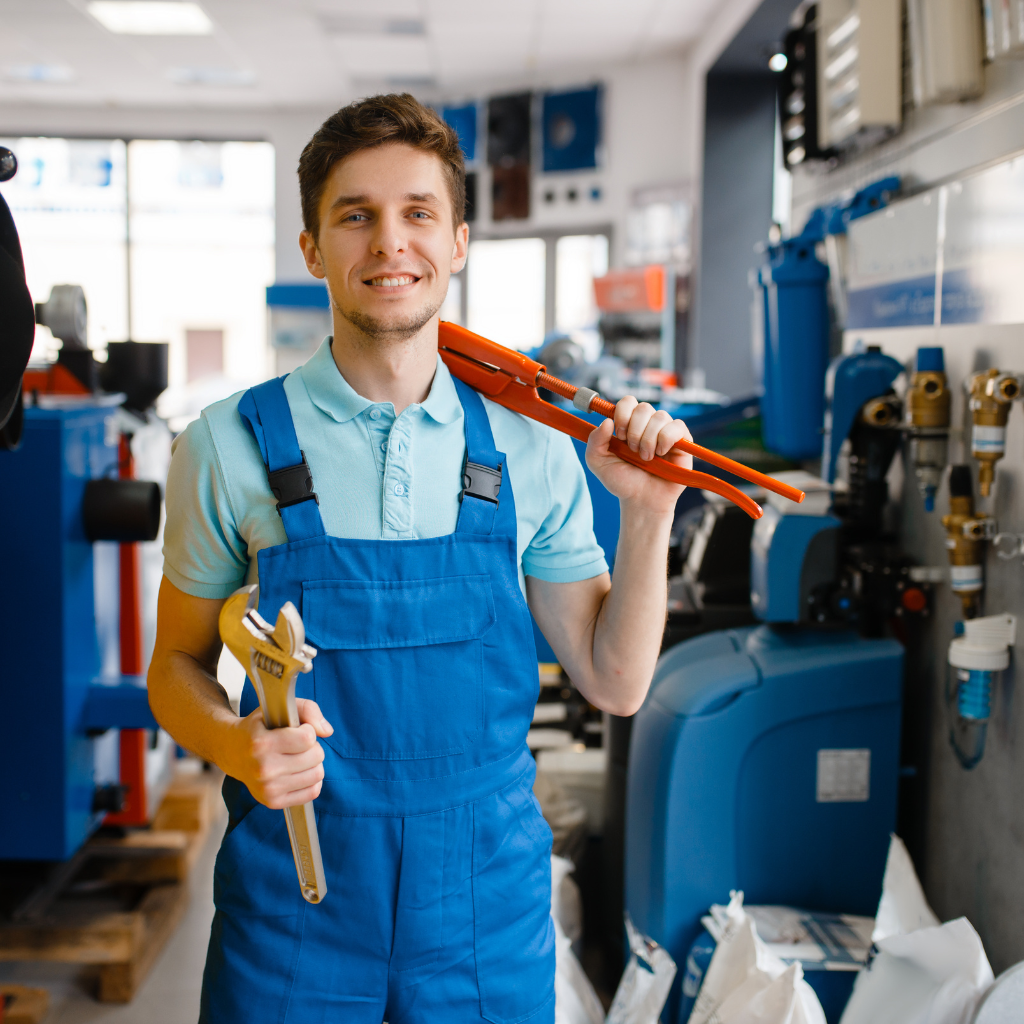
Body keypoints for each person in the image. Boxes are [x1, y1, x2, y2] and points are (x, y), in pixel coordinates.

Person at [148, 93, 693, 1024]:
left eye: (417, 213)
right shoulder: (226, 447)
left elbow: (615, 680)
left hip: (482, 920)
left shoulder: (530, 446)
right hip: (295, 913)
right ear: (313, 249)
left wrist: (647, 515)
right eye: (354, 216)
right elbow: (175, 670)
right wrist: (238, 745)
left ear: (459, 241)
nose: (389, 242)